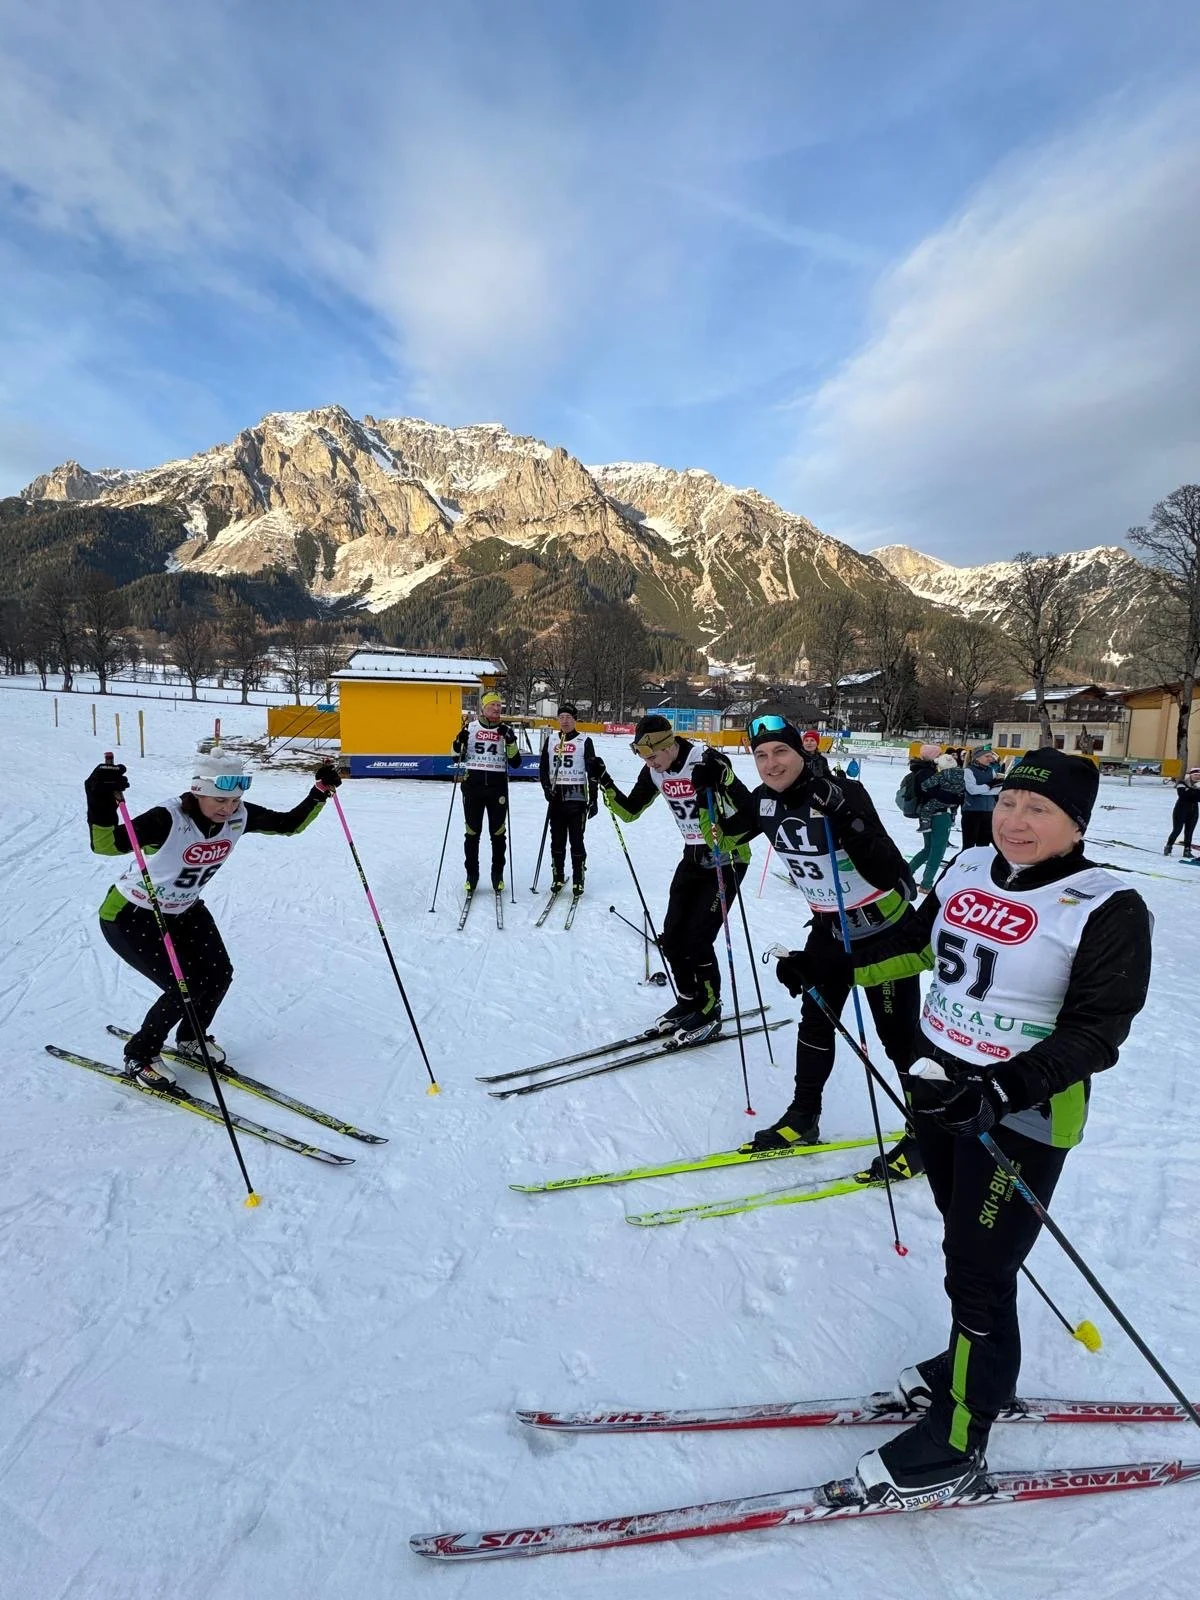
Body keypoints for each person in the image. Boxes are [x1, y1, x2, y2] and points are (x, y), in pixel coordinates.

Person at [855, 748, 1151, 1506]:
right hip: (944, 1091)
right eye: (1011, 801)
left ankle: (959, 1438)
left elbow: (1096, 1034)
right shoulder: (966, 867)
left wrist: (1001, 1089)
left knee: (980, 1270)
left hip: (1023, 1114)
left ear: (1075, 824)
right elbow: (918, 947)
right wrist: (835, 964)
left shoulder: (1105, 903)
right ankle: (980, 1364)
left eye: (1039, 810)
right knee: (968, 1248)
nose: (1016, 820)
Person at [694, 715, 931, 1178]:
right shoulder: (763, 802)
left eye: (780, 752)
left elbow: (889, 872)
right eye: (761, 755)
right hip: (828, 928)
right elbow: (720, 838)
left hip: (884, 930)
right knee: (816, 1021)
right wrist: (714, 792)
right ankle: (804, 1116)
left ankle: (925, 1132)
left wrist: (845, 814)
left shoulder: (840, 792)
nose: (771, 763)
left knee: (897, 1038)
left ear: (802, 752)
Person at [85, 745, 341, 1092]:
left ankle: (190, 1038)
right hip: (132, 913)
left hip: (185, 909)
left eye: (234, 800)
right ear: (198, 791)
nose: (228, 808)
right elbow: (105, 845)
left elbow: (288, 825)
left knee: (219, 974)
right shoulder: (168, 818)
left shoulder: (240, 816)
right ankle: (140, 1055)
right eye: (220, 800)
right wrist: (98, 794)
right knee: (182, 985)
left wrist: (319, 792)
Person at [586, 715, 749, 1040]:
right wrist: (604, 781)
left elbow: (746, 805)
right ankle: (689, 999)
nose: (650, 765)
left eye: (652, 757)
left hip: (726, 855)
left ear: (669, 745)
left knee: (699, 937)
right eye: (645, 759)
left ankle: (710, 1008)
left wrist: (724, 776)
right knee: (672, 935)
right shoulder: (654, 771)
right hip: (692, 854)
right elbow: (631, 811)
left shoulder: (704, 759)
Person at [452, 692, 522, 893]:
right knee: (472, 833)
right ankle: (471, 875)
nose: (497, 708)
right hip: (473, 788)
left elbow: (516, 763)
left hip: (497, 788)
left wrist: (510, 742)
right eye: (492, 705)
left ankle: (497, 874)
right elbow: (454, 757)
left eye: (499, 705)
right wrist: (459, 741)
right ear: (483, 708)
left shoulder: (505, 730)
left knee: (498, 833)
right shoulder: (470, 728)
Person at [539, 703, 598, 894]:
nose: (565, 721)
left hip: (577, 796)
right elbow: (543, 768)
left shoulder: (584, 741)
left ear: (575, 720)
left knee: (576, 840)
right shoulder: (551, 740)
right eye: (562, 717)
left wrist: (594, 798)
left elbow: (592, 772)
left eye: (569, 717)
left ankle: (578, 878)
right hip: (556, 797)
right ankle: (558, 876)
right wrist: (547, 789)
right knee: (557, 840)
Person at [908, 746, 963, 894]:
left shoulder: (921, 770)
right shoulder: (927, 772)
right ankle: (926, 884)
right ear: (932, 757)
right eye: (938, 754)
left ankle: (905, 874)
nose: (941, 756)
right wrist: (956, 798)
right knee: (937, 851)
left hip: (927, 813)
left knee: (928, 849)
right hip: (938, 814)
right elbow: (935, 793)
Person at [960, 743, 1005, 849]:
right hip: (972, 812)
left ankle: (981, 865)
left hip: (989, 812)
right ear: (977, 757)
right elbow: (972, 790)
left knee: (984, 845)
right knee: (968, 846)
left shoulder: (991, 771)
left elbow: (997, 790)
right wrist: (989, 786)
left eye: (991, 756)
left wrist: (985, 789)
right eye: (987, 756)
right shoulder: (968, 771)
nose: (990, 759)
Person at [1164, 767, 1200, 858]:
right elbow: (1183, 796)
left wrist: (1191, 792)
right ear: (1191, 775)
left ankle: (1187, 850)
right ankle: (1169, 846)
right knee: (1177, 829)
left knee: (1189, 831)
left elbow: (1197, 798)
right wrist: (1194, 791)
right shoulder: (1182, 783)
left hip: (1194, 810)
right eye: (1195, 775)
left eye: (1199, 775)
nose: (1197, 777)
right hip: (1181, 810)